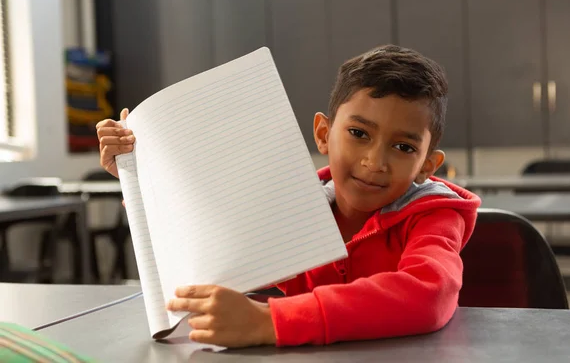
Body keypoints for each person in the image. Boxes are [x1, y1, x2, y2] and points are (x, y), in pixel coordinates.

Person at [96, 45, 480, 348]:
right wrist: (141, 179)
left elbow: (428, 295)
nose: (374, 161)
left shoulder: (433, 216)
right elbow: (202, 240)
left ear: (428, 165)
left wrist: (269, 322)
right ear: (324, 134)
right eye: (359, 134)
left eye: (403, 147)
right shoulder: (294, 202)